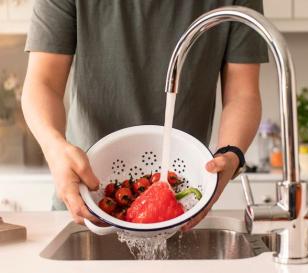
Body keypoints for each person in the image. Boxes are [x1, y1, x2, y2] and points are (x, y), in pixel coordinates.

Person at [22, 0, 268, 230]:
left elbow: (242, 94)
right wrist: (54, 148)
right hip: (86, 197)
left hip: (180, 201)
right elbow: (43, 83)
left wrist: (231, 154)